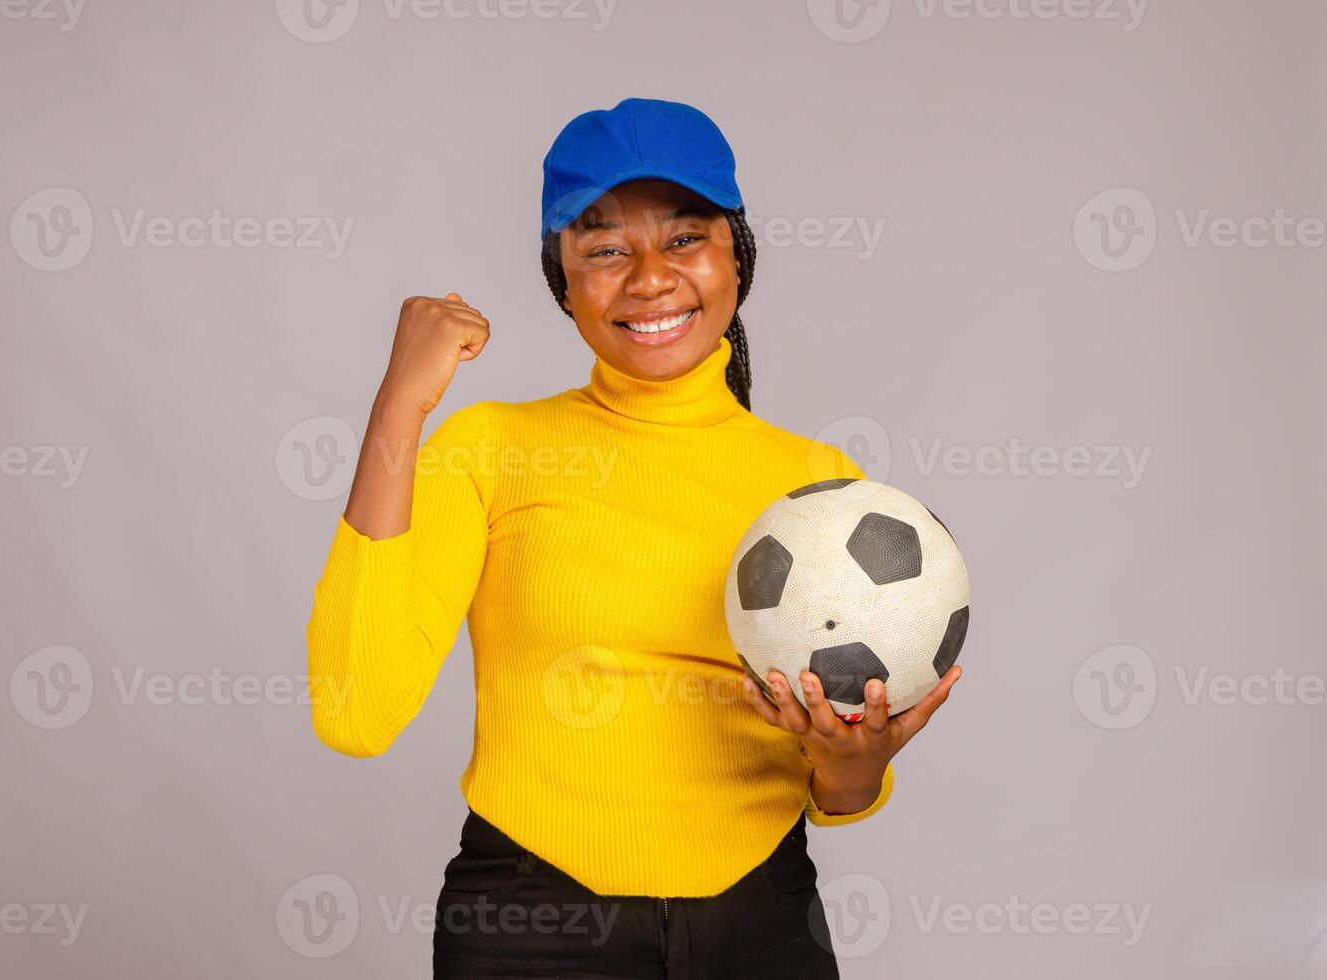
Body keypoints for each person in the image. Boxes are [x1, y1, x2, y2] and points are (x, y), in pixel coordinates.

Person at [305, 96, 962, 978]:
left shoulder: (819, 488)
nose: (650, 278)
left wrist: (854, 765)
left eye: (685, 238)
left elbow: (838, 789)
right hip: (530, 924)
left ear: (739, 257)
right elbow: (354, 709)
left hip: (761, 921)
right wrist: (401, 402)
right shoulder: (492, 448)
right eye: (605, 248)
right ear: (562, 278)